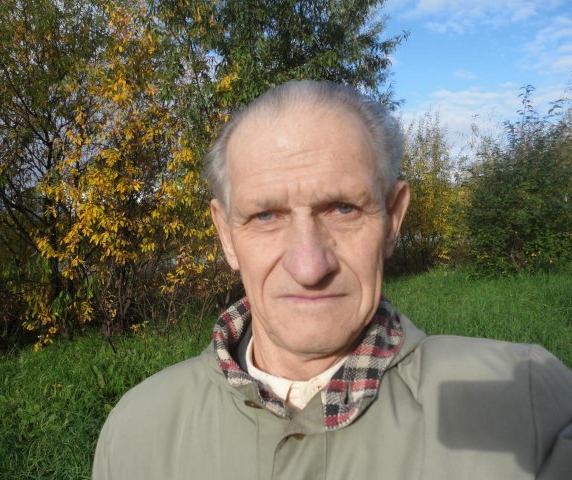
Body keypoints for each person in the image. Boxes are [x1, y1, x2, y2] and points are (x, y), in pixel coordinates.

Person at [93, 80, 572, 480]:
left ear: (393, 218)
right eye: (265, 216)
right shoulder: (137, 432)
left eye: (343, 208)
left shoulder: (525, 406)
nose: (309, 266)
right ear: (226, 236)